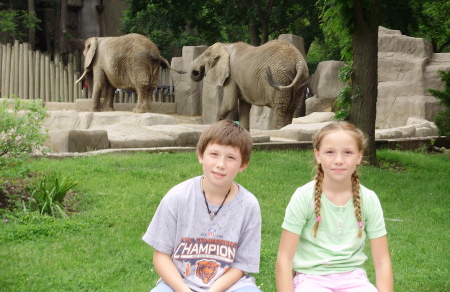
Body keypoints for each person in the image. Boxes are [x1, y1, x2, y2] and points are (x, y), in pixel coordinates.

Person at [143, 120, 262, 292]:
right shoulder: (177, 197)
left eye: (231, 157)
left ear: (243, 165)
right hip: (179, 282)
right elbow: (161, 256)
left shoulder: (249, 205)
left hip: (230, 286)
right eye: (214, 154)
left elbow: (241, 264)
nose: (221, 164)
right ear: (200, 155)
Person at [275, 121, 393, 292]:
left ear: (359, 156)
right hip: (311, 280)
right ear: (317, 155)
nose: (339, 160)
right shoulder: (303, 197)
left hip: (355, 281)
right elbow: (284, 259)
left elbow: (382, 262)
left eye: (348, 152)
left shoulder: (369, 199)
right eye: (330, 152)